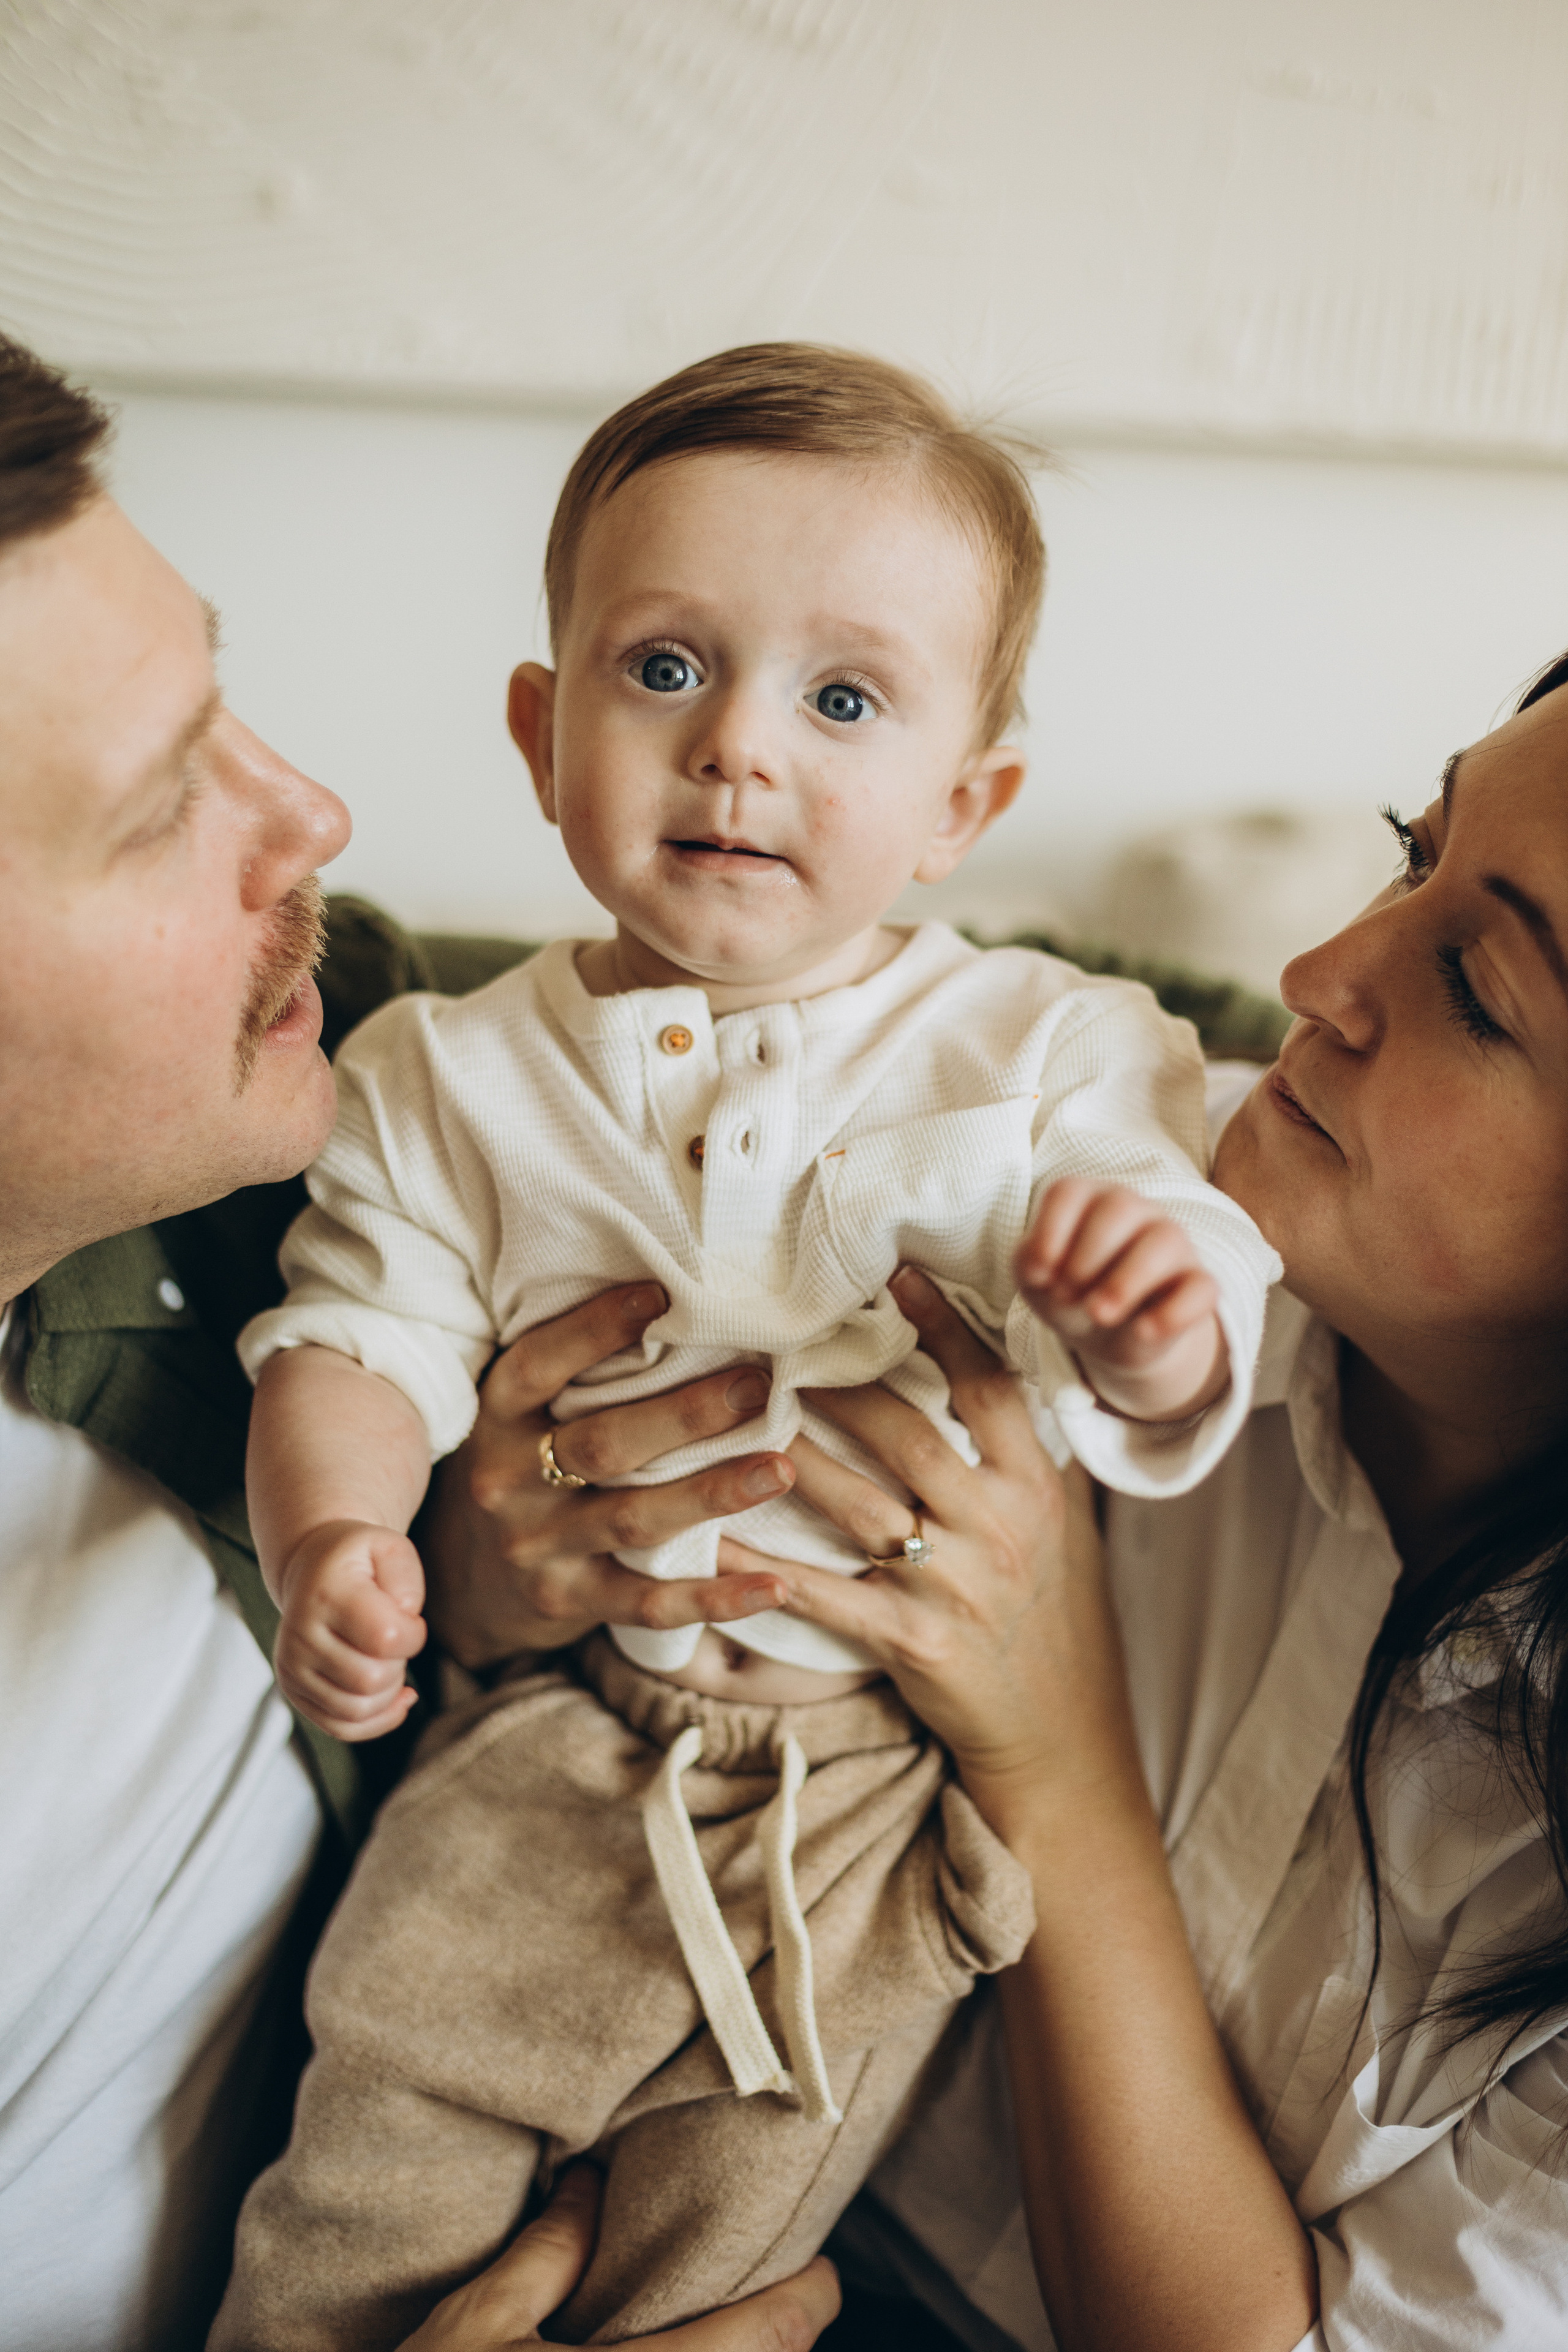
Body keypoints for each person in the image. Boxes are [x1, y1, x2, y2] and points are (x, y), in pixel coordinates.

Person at [211, 346, 1277, 2346]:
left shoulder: (1047, 1049)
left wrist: (1150, 1321)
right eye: (665, 668)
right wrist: (330, 1539)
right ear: (542, 734)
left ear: (965, 804)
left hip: (864, 1799)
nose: (736, 751)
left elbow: (1189, 1247)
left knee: (725, 2248)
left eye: (842, 701)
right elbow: (355, 1331)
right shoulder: (446, 1074)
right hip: (546, 1754)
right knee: (368, 2175)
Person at [426, 657, 1568, 2350]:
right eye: (1414, 850)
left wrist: (1052, 1746)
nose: (1316, 974)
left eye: (1476, 987)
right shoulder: (1077, 1178)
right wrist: (486, 1565)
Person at [0, 331, 850, 2352]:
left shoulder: (331, 1064)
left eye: (225, 701)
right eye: (161, 803)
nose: (313, 813)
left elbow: (1021, 1023)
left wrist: (460, 1562)